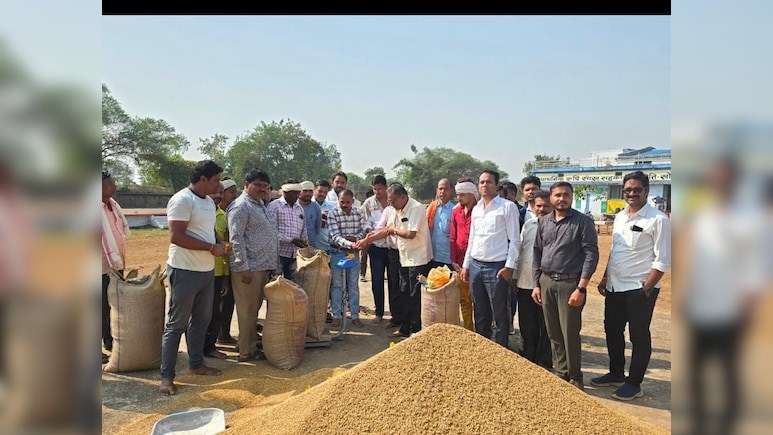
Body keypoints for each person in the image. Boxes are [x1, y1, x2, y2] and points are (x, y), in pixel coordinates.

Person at [591, 171, 672, 401]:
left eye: (637, 189)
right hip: (616, 287)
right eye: (628, 190)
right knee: (612, 331)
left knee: (639, 336)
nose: (632, 193)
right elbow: (616, 251)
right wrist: (606, 277)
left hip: (639, 289)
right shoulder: (620, 217)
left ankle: (634, 383)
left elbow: (663, 259)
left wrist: (646, 288)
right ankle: (616, 372)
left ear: (647, 191)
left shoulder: (658, 220)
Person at [159, 160, 227, 396]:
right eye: (216, 180)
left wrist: (219, 242)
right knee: (176, 324)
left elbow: (210, 229)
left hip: (205, 271)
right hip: (184, 270)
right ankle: (166, 377)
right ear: (203, 179)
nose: (219, 186)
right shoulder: (182, 200)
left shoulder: (208, 202)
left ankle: (196, 364)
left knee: (200, 322)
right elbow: (176, 236)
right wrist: (210, 248)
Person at [532, 181, 599, 391]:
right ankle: (561, 373)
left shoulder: (582, 222)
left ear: (571, 197)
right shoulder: (544, 223)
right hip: (546, 281)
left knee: (570, 332)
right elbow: (537, 252)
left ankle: (575, 375)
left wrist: (581, 287)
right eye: (558, 195)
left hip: (570, 284)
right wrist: (536, 284)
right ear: (551, 198)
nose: (562, 198)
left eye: (566, 195)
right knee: (553, 332)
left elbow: (591, 255)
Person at [355, 183, 432, 338]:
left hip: (418, 258)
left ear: (403, 197)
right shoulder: (397, 209)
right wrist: (366, 241)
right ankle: (404, 328)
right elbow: (385, 230)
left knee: (415, 295)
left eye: (393, 201)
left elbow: (411, 234)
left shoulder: (416, 208)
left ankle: (416, 330)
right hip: (404, 258)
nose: (390, 204)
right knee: (403, 292)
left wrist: (393, 231)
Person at [460, 169, 520, 348]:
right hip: (476, 266)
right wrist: (466, 265)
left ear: (496, 186)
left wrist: (509, 267)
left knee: (499, 311)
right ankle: (484, 348)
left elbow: (515, 240)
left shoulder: (507, 207)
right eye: (482, 182)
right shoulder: (477, 208)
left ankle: (501, 348)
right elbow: (473, 238)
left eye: (489, 182)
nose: (485, 185)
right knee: (480, 311)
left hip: (497, 267)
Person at [228, 168, 281, 363]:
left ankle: (247, 342)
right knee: (247, 311)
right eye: (258, 185)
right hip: (248, 269)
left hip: (261, 266)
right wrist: (243, 267)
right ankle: (246, 352)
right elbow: (236, 239)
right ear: (246, 185)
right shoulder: (241, 206)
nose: (262, 189)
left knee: (253, 310)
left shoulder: (259, 205)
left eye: (265, 186)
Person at [514, 190, 553, 369]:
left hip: (546, 283)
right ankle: (527, 357)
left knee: (545, 324)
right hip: (525, 281)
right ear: (533, 207)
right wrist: (515, 277)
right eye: (538, 206)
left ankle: (543, 360)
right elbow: (521, 251)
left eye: (546, 206)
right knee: (526, 323)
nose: (542, 209)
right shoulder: (528, 224)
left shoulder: (557, 227)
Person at [327, 189, 371, 328]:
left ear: (353, 201)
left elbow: (363, 228)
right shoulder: (333, 214)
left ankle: (354, 315)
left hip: (352, 254)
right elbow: (334, 236)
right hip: (337, 252)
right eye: (342, 202)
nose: (345, 205)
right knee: (337, 285)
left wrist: (357, 239)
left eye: (347, 202)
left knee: (353, 285)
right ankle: (337, 315)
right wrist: (350, 243)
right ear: (338, 201)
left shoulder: (358, 212)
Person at [101, 171, 130, 364]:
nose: (115, 186)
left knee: (113, 305)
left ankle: (110, 341)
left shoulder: (114, 206)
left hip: (116, 264)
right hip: (99, 267)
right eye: (111, 184)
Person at [361, 175, 392, 323]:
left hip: (393, 247)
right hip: (376, 247)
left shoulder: (393, 200)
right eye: (374, 189)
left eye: (379, 189)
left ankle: (395, 313)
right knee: (377, 280)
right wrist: (368, 231)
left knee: (394, 281)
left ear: (385, 187)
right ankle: (379, 312)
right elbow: (364, 221)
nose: (377, 192)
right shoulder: (369, 203)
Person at [203, 181, 228, 360]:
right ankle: (197, 351)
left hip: (218, 272)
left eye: (221, 193)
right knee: (199, 314)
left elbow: (225, 246)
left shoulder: (223, 215)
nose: (218, 195)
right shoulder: (200, 212)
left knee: (215, 312)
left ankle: (210, 346)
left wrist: (226, 276)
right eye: (215, 192)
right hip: (200, 270)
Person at [449, 178, 478, 331]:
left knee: (480, 301)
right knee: (464, 300)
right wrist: (453, 259)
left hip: (478, 262)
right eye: (458, 195)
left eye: (462, 195)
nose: (458, 198)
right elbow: (453, 237)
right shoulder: (456, 212)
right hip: (460, 262)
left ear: (472, 194)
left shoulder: (480, 210)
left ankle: (483, 332)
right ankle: (469, 330)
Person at [267, 179, 309, 281]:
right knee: (276, 284)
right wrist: (291, 240)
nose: (297, 196)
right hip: (278, 254)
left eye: (298, 193)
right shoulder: (274, 206)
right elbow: (271, 232)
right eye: (294, 193)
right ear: (286, 192)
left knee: (292, 286)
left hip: (294, 255)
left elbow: (303, 230)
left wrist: (305, 243)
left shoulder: (299, 208)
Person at [217, 178, 239, 345]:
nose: (235, 195)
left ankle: (224, 333)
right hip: (219, 267)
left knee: (228, 303)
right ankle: (220, 335)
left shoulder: (229, 214)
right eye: (232, 192)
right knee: (220, 303)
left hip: (228, 266)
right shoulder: (220, 216)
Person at [298, 180, 322, 251]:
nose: (308, 193)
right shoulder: (294, 206)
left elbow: (317, 227)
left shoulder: (316, 207)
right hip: (294, 246)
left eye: (310, 191)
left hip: (311, 246)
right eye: (305, 191)